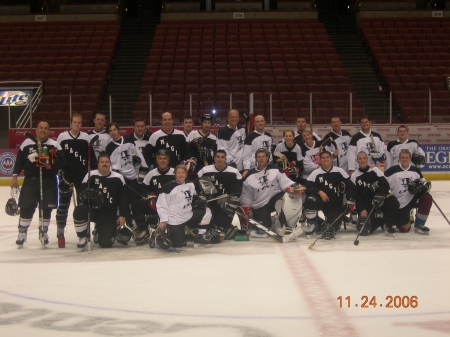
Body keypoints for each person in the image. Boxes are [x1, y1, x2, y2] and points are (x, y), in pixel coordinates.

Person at [11, 121, 65, 247]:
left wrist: (46, 161)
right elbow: (19, 161)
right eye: (40, 128)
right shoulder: (27, 143)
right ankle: (22, 232)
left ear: (49, 131)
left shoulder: (54, 145)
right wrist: (14, 177)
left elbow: (63, 163)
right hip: (30, 180)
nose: (43, 130)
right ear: (36, 129)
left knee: (46, 208)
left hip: (49, 180)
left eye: (46, 128)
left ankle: (43, 232)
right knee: (26, 206)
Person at [240, 148, 305, 236]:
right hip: (260, 204)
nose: (261, 159)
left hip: (275, 197)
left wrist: (294, 186)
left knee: (283, 201)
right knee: (264, 230)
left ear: (267, 158)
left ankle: (285, 226)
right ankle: (273, 221)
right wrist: (247, 209)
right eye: (259, 157)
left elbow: (285, 181)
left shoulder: (276, 169)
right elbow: (246, 195)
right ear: (256, 158)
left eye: (263, 156)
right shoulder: (249, 175)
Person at [55, 113, 97, 247]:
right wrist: (60, 173)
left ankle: (83, 233)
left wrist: (93, 174)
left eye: (79, 123)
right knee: (63, 205)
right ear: (70, 123)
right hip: (66, 178)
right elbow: (58, 157)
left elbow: (92, 158)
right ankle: (60, 231)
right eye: (75, 122)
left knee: (82, 206)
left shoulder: (86, 138)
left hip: (82, 178)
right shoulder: (62, 137)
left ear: (81, 124)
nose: (77, 125)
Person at [73, 152, 128, 249]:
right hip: (93, 210)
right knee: (79, 210)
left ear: (110, 163)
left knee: (106, 244)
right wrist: (85, 195)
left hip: (108, 213)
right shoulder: (91, 175)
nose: (104, 164)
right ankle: (83, 237)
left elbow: (123, 198)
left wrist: (122, 215)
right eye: (102, 162)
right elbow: (80, 192)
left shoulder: (118, 178)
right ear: (98, 164)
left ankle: (99, 230)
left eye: (107, 162)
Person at [156, 165, 213, 250]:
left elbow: (193, 196)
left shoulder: (190, 184)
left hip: (188, 215)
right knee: (178, 245)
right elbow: (161, 205)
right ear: (175, 174)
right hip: (175, 219)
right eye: (178, 173)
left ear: (186, 174)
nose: (181, 175)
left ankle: (200, 236)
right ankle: (157, 234)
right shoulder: (168, 187)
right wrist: (163, 221)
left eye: (183, 173)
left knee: (207, 212)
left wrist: (199, 200)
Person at [303, 151, 357, 239]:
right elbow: (307, 187)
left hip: (335, 205)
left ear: (331, 159)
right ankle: (312, 224)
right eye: (323, 158)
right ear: (320, 160)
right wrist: (319, 192)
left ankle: (321, 223)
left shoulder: (339, 171)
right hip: (321, 202)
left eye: (327, 157)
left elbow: (351, 186)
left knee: (331, 228)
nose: (325, 159)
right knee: (310, 199)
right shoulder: (315, 173)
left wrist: (349, 199)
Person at [131, 149, 175, 246]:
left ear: (168, 160)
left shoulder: (174, 173)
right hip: (155, 203)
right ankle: (143, 230)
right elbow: (143, 188)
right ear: (156, 160)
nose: (162, 160)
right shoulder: (151, 174)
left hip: (172, 204)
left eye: (165, 158)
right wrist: (149, 196)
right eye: (160, 158)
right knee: (137, 203)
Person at [350, 152, 399, 237]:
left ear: (367, 159)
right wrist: (361, 209)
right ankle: (381, 220)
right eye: (360, 158)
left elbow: (385, 184)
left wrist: (380, 194)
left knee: (393, 201)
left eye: (364, 158)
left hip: (379, 198)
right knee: (365, 230)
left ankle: (388, 226)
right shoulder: (354, 176)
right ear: (357, 160)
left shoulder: (375, 170)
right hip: (367, 203)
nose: (362, 160)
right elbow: (356, 195)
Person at [384, 149, 432, 235]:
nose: (405, 159)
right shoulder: (392, 170)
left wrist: (423, 186)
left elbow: (424, 183)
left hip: (413, 198)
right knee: (405, 229)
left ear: (410, 159)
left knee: (427, 197)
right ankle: (398, 218)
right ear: (399, 158)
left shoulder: (415, 170)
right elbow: (382, 181)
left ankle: (419, 224)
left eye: (407, 157)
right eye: (403, 157)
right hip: (400, 202)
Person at [196, 150, 242, 239]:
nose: (220, 159)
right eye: (218, 157)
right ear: (214, 158)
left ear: (226, 159)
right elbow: (197, 186)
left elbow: (236, 192)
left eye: (222, 157)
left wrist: (229, 200)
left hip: (225, 205)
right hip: (210, 204)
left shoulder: (234, 172)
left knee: (224, 225)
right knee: (207, 222)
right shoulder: (205, 170)